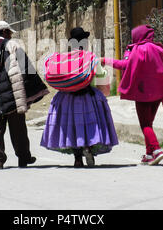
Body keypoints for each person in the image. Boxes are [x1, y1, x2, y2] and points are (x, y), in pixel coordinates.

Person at [0, 21, 49, 170]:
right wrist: (31, 91)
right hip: (12, 92)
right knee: (18, 126)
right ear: (4, 33)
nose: (10, 35)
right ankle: (24, 158)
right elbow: (26, 69)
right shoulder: (13, 46)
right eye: (9, 32)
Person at [41, 27, 119, 168]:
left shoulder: (65, 59)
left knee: (72, 127)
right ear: (85, 42)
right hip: (87, 97)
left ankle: (77, 159)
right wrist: (102, 92)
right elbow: (101, 78)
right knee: (88, 125)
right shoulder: (90, 57)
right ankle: (88, 148)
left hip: (65, 99)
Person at [102, 25, 163, 166]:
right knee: (149, 123)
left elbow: (125, 65)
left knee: (145, 124)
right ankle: (149, 154)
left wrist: (106, 61)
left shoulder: (134, 49)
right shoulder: (159, 49)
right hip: (158, 92)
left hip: (142, 93)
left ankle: (157, 150)